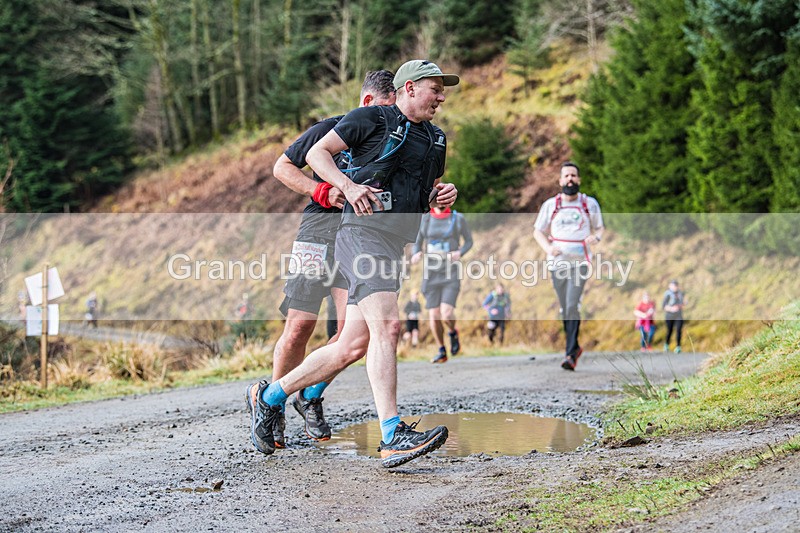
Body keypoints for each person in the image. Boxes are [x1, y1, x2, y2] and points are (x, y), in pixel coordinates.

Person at [246, 59, 460, 468]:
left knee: (352, 344)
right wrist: (342, 186)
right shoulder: (366, 119)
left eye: (442, 89)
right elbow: (315, 153)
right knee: (386, 326)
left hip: (392, 242)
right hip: (357, 233)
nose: (442, 96)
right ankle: (392, 433)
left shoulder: (435, 138)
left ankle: (269, 396)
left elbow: (420, 190)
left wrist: (439, 195)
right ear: (409, 88)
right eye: (435, 88)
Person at [251, 70, 397, 448]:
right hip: (317, 233)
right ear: (368, 103)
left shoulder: (395, 139)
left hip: (359, 240)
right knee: (300, 325)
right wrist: (319, 190)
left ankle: (310, 395)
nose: (389, 120)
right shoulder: (331, 129)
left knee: (351, 336)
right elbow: (281, 167)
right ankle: (272, 408)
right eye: (385, 110)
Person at [533, 161, 604, 371]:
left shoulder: (588, 204)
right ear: (560, 180)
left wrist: (595, 238)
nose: (570, 179)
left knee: (572, 304)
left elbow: (599, 228)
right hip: (557, 264)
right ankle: (574, 348)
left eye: (573, 175)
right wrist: (548, 248)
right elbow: (537, 231)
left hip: (580, 263)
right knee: (565, 307)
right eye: (566, 176)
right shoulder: (551, 205)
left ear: (579, 179)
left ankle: (570, 353)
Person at [411, 204, 473, 363]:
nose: (440, 201)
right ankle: (441, 350)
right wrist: (416, 253)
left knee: (446, 314)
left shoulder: (457, 218)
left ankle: (452, 331)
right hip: (430, 274)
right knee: (434, 315)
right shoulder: (425, 219)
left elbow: (469, 242)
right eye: (436, 198)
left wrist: (460, 252)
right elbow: (417, 242)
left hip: (450, 273)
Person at [663, 279, 686, 353]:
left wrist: (682, 305)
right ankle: (666, 344)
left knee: (679, 330)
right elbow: (664, 306)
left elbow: (683, 304)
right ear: (670, 286)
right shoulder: (667, 294)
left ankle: (678, 346)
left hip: (678, 315)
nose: (675, 287)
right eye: (673, 285)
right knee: (670, 330)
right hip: (670, 315)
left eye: (676, 285)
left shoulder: (680, 294)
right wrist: (671, 309)